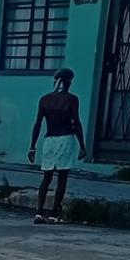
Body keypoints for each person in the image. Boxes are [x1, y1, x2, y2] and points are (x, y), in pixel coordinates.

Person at [28, 68, 86, 224]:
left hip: (49, 141)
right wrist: (82, 145)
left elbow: (38, 124)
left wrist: (32, 146)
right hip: (66, 139)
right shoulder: (72, 99)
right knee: (62, 178)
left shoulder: (45, 99)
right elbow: (76, 123)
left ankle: (39, 212)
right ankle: (54, 214)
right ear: (68, 83)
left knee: (46, 178)